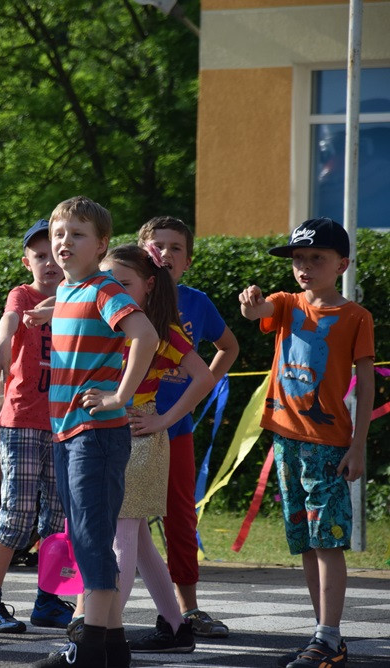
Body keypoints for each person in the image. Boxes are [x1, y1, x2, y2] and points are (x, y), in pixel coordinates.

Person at [239, 218, 373, 668]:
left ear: (342, 264)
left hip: (330, 444)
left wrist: (357, 446)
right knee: (306, 541)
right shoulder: (285, 303)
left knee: (329, 539)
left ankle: (329, 635)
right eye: (299, 258)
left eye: (317, 258)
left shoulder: (356, 317)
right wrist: (251, 304)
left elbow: (368, 382)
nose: (305, 266)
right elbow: (257, 314)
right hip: (286, 441)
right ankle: (323, 635)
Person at [30, 196, 158, 668]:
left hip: (96, 433)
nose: (64, 242)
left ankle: (86, 651)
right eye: (58, 234)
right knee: (84, 533)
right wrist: (50, 312)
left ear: (101, 244)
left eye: (77, 234)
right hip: (67, 433)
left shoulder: (105, 289)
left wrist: (119, 397)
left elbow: (146, 335)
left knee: (90, 537)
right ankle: (114, 648)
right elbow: (71, 309)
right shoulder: (70, 292)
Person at [73, 244, 215, 659]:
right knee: (139, 541)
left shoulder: (163, 331)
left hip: (138, 435)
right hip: (109, 431)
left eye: (123, 282)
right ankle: (176, 627)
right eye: (107, 281)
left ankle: (100, 637)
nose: (112, 289)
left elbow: (203, 378)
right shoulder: (104, 321)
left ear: (149, 286)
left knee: (123, 537)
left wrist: (164, 421)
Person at [136, 216, 239, 637]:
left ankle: (188, 609)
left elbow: (229, 347)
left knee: (180, 515)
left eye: (175, 247)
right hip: (122, 427)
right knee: (119, 519)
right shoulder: (123, 296)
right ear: (140, 253)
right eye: (156, 245)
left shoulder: (196, 302)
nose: (164, 253)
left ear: (188, 260)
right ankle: (89, 613)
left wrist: (199, 388)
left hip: (175, 427)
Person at [0, 219, 71, 634]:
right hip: (23, 420)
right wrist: (1, 346)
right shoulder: (24, 294)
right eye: (39, 256)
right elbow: (11, 320)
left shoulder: (79, 296)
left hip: (66, 422)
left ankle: (48, 600)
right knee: (17, 512)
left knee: (57, 517)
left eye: (54, 253)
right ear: (27, 261)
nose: (49, 261)